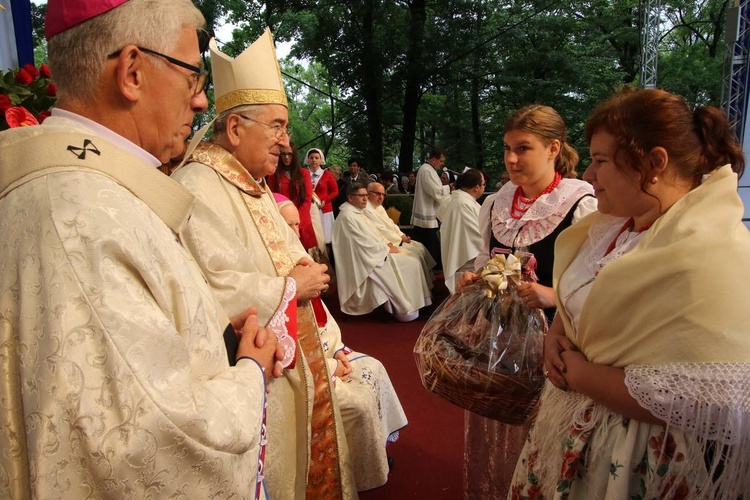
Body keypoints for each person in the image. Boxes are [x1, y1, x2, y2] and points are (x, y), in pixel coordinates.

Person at [0, 0, 281, 497]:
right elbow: (149, 447)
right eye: (193, 77)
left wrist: (217, 334)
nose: (199, 103)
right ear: (131, 71)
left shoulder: (96, 188)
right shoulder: (80, 217)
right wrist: (250, 374)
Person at [173, 31, 407, 496]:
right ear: (236, 129)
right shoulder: (199, 186)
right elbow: (207, 291)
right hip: (253, 367)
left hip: (301, 354)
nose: (286, 141)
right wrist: (288, 288)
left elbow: (293, 259)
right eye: (277, 126)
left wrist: (329, 339)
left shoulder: (252, 183)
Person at [511, 88, 750, 499]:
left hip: (638, 459)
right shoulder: (614, 229)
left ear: (654, 163)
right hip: (574, 431)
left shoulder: (710, 255)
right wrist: (555, 336)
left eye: (601, 160)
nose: (588, 174)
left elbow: (713, 401)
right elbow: (580, 303)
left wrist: (582, 374)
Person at [459, 104, 597, 499]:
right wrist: (472, 278)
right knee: (500, 425)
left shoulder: (580, 204)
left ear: (554, 148)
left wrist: (552, 295)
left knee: (544, 434)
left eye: (523, 148)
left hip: (556, 340)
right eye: (506, 148)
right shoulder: (496, 203)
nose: (511, 159)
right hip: (499, 336)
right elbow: (485, 261)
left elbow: (600, 283)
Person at [333, 183, 433, 322]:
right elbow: (362, 243)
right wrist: (386, 248)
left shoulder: (357, 213)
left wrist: (386, 244)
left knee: (414, 259)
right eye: (361, 196)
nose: (364, 199)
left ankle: (422, 303)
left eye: (365, 196)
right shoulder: (348, 217)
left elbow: (374, 233)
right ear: (350, 198)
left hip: (375, 253)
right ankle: (408, 310)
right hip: (367, 260)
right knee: (412, 263)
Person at [364, 181, 436, 283]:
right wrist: (400, 239)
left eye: (383, 194)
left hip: (395, 239)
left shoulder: (378, 207)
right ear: (368, 193)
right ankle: (421, 287)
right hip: (389, 244)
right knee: (416, 256)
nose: (381, 197)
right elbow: (381, 230)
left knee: (421, 248)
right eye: (377, 194)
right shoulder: (366, 209)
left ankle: (429, 283)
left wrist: (402, 235)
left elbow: (391, 224)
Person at [436, 168, 485, 293]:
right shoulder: (463, 203)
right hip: (468, 263)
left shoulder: (462, 200)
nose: (484, 187)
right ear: (477, 187)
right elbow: (476, 236)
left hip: (469, 256)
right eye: (484, 184)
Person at [267, 142, 318, 250]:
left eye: (289, 154)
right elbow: (272, 198)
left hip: (302, 219)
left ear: (294, 155)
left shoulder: (304, 173)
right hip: (283, 220)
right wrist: (285, 221)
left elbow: (308, 198)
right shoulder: (274, 174)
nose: (286, 157)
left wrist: (297, 221)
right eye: (283, 154)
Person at [411, 147, 451, 267]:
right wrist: (450, 188)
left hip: (429, 216)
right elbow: (436, 192)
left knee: (431, 247)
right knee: (429, 248)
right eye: (441, 161)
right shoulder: (426, 170)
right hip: (425, 218)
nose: (442, 164)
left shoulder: (429, 170)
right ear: (433, 159)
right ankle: (432, 272)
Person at [306, 147, 339, 251]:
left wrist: (325, 200)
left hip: (324, 210)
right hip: (309, 210)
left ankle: (327, 261)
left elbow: (335, 191)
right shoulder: (304, 174)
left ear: (321, 160)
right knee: (313, 237)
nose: (314, 160)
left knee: (326, 238)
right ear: (308, 160)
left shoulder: (327, 174)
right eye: (311, 158)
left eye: (316, 157)